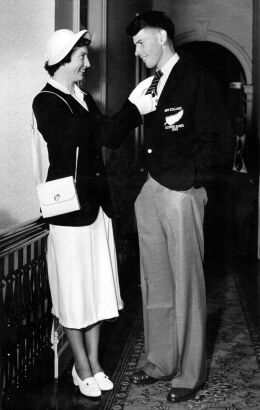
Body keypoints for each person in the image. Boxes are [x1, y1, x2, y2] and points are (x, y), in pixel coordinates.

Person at [32, 28, 156, 399]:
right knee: (73, 292)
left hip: (97, 208)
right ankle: (80, 367)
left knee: (98, 289)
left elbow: (109, 136)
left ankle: (95, 363)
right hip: (68, 213)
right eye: (81, 58)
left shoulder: (82, 96)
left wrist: (131, 115)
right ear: (62, 60)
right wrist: (131, 110)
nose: (87, 64)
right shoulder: (46, 100)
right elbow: (78, 136)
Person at [126, 10, 233, 403]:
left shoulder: (197, 77)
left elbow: (222, 140)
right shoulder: (151, 84)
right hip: (152, 188)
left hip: (182, 191)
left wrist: (191, 180)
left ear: (161, 35)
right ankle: (160, 361)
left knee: (187, 282)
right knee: (156, 281)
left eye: (140, 42)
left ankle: (189, 373)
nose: (137, 52)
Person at [226, 116, 257, 258]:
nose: (239, 127)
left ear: (245, 125)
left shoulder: (253, 141)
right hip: (231, 179)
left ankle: (243, 250)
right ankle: (231, 249)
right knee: (230, 215)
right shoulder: (228, 142)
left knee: (244, 217)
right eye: (236, 124)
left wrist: (253, 180)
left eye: (241, 124)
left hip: (246, 180)